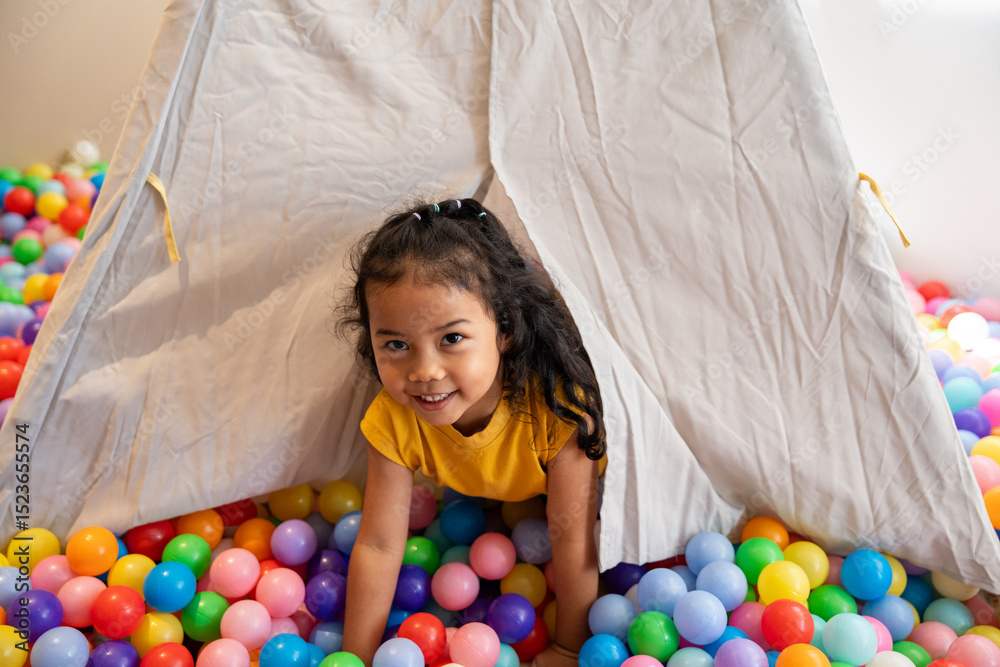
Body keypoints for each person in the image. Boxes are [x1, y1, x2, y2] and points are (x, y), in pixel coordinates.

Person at [338, 198, 607, 667]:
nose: (424, 371)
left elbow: (573, 541)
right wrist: (355, 659)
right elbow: (380, 544)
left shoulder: (558, 412)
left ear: (504, 328)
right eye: (396, 344)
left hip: (577, 501)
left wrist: (568, 646)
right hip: (500, 501)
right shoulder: (393, 419)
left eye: (451, 339)